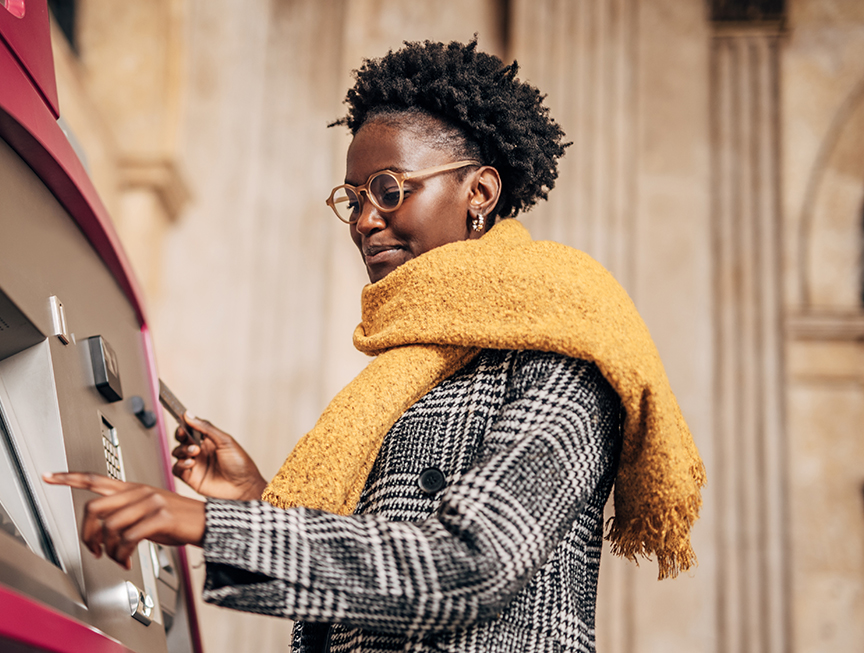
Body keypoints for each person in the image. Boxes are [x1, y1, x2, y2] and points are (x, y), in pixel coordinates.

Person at [46, 38, 704, 653]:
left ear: (478, 192)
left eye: (390, 190)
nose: (364, 220)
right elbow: (382, 564)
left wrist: (205, 524)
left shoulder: (565, 342)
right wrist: (253, 499)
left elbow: (468, 565)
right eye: (354, 197)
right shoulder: (412, 365)